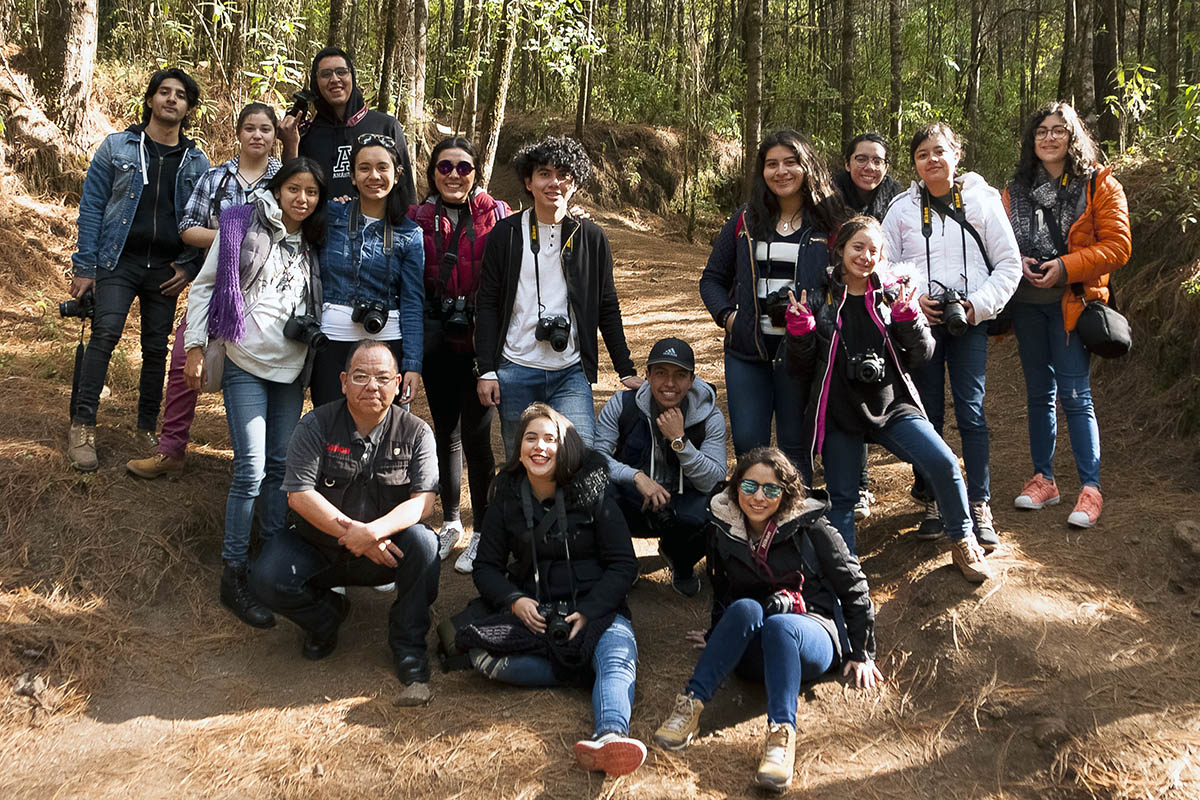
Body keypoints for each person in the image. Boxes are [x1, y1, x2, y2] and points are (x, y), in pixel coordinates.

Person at [651, 447, 880, 794]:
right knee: (744, 609)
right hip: (756, 645)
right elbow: (721, 587)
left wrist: (861, 651)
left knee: (779, 626)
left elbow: (854, 585)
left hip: (809, 633)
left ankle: (780, 735)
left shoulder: (812, 526)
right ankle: (690, 707)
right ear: (736, 488)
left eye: (771, 489)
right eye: (750, 487)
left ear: (786, 493)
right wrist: (718, 633)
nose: (759, 497)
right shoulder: (723, 525)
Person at [785, 216, 992, 581]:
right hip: (839, 411)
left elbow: (922, 356)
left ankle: (963, 540)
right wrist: (800, 334)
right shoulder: (818, 298)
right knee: (843, 499)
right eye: (857, 248)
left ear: (882, 257)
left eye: (873, 251)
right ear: (841, 251)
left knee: (943, 462)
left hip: (892, 404)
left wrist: (909, 320)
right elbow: (799, 369)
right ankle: (845, 574)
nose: (865, 257)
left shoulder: (894, 295)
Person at [458, 403, 644, 777]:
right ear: (519, 448)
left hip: (597, 611)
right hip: (538, 614)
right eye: (530, 439)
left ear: (566, 447)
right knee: (480, 654)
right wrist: (514, 601)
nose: (539, 447)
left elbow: (625, 564)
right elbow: (486, 567)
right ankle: (584, 672)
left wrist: (590, 610)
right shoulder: (506, 497)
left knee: (616, 653)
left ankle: (609, 737)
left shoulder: (596, 492)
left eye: (549, 439)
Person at [252, 340, 441, 706]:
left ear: (399, 383)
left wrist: (371, 534)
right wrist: (351, 533)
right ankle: (325, 619)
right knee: (265, 577)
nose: (372, 386)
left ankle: (408, 645)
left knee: (425, 544)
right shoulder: (315, 424)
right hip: (318, 548)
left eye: (383, 377)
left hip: (384, 554)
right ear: (342, 381)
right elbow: (299, 495)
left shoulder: (417, 432)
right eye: (360, 376)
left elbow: (424, 504)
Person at [182, 158, 328, 629]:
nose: (302, 199)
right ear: (279, 189)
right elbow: (205, 287)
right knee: (251, 468)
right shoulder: (241, 224)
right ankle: (235, 571)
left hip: (288, 371)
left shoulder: (312, 242)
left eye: (311, 192)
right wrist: (195, 347)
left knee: (282, 469)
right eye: (294, 189)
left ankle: (272, 558)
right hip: (244, 362)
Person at [880, 122, 1021, 549]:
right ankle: (935, 500)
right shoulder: (902, 208)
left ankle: (979, 503)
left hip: (970, 323)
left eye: (939, 151)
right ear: (914, 164)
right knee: (926, 415)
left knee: (972, 413)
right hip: (919, 326)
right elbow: (881, 265)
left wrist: (977, 305)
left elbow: (1009, 265)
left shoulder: (982, 200)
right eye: (922, 154)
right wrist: (911, 299)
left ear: (956, 154)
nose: (932, 160)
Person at [127, 102, 282, 478]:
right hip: (217, 287)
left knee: (262, 374)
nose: (257, 135)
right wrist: (231, 238)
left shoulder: (285, 179)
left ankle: (257, 462)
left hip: (269, 293)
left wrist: (247, 241)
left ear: (275, 136)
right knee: (183, 359)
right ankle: (171, 450)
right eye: (250, 128)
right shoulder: (216, 178)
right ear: (238, 133)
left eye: (265, 129)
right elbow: (188, 227)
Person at [67, 68, 209, 471]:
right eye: (163, 92)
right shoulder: (117, 147)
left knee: (154, 347)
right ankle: (83, 425)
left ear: (188, 108)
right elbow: (92, 206)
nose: (171, 99)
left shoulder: (197, 162)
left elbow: (207, 219)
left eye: (180, 95)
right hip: (118, 260)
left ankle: (147, 428)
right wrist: (86, 265)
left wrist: (189, 266)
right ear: (150, 100)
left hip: (166, 269)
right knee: (105, 333)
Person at [1002, 103, 1131, 528]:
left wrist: (1066, 265)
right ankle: (1045, 479)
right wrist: (1015, 260)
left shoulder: (1099, 184)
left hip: (1073, 305)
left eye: (1059, 130)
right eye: (1041, 130)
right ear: (1031, 139)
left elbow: (1118, 246)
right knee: (1039, 393)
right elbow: (995, 243)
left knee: (1076, 395)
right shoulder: (1014, 190)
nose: (1049, 138)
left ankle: (1090, 488)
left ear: (1074, 136)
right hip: (1027, 306)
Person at [474, 136, 640, 454]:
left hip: (570, 371)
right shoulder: (505, 235)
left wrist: (626, 369)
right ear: (529, 181)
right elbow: (488, 305)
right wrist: (487, 369)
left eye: (564, 174)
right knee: (524, 462)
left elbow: (607, 305)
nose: (555, 182)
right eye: (545, 173)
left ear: (575, 183)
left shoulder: (590, 237)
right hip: (515, 368)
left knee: (579, 456)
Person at [698, 130, 847, 481]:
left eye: (791, 162)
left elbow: (846, 286)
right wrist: (730, 318)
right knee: (750, 447)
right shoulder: (745, 220)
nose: (782, 171)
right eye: (772, 164)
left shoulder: (832, 225)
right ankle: (753, 527)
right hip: (748, 351)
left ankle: (796, 526)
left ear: (807, 167)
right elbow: (712, 279)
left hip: (802, 353)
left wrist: (818, 319)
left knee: (796, 447)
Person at [408, 137, 510, 572]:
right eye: (445, 166)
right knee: (444, 431)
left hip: (479, 343)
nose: (454, 175)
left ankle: (484, 529)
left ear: (475, 172)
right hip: (436, 341)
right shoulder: (416, 217)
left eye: (463, 168)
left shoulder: (498, 214)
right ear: (433, 172)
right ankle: (452, 521)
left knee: (476, 435)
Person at [594, 337, 726, 596]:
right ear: (647, 376)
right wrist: (636, 477)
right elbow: (595, 458)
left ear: (691, 380)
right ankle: (622, 562)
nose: (669, 383)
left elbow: (714, 480)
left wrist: (680, 442)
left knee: (720, 504)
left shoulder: (710, 416)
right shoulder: (622, 405)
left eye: (679, 375)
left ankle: (681, 559)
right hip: (633, 499)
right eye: (661, 373)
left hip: (682, 505)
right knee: (594, 489)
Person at [310, 134, 424, 409]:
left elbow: (412, 303)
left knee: (387, 436)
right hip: (332, 346)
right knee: (332, 430)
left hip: (388, 345)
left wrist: (412, 365)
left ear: (397, 176)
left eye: (382, 168)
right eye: (364, 168)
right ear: (352, 176)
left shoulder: (410, 234)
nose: (374, 176)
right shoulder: (329, 217)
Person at [832, 131, 902, 521]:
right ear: (847, 162)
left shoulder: (897, 199)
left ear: (886, 166)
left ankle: (924, 482)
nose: (869, 166)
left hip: (886, 300)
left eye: (877, 160)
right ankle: (856, 485)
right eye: (861, 158)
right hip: (841, 296)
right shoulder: (829, 199)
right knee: (847, 382)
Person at [279, 46, 416, 201]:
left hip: (379, 223)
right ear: (316, 82)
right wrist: (290, 144)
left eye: (341, 72)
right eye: (325, 74)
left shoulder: (386, 127)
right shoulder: (306, 133)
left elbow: (406, 192)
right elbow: (292, 191)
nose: (335, 79)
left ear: (352, 77)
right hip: (321, 224)